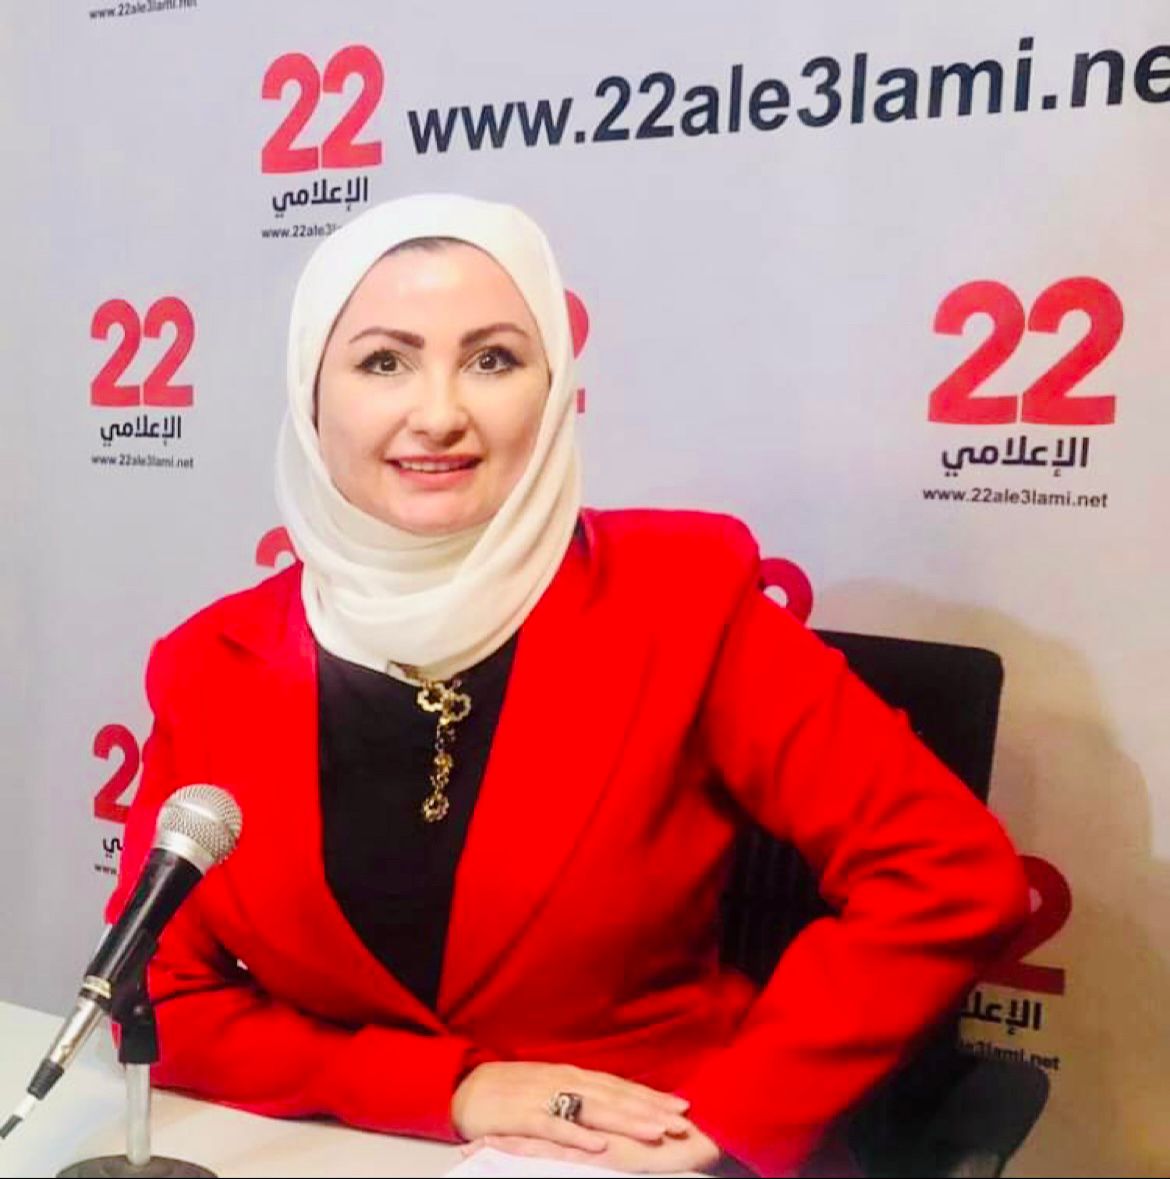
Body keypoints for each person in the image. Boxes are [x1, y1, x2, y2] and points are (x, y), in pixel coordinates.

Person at [108, 193, 1029, 1177]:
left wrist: (733, 1116)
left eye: (492, 359)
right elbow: (154, 992)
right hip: (351, 1150)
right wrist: (447, 1088)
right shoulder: (213, 665)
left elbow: (950, 873)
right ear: (311, 393)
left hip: (630, 1150)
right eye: (384, 362)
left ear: (552, 389)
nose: (440, 413)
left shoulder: (683, 603)